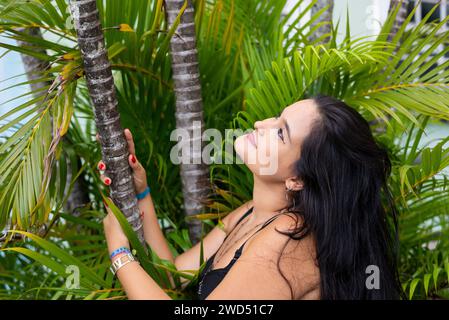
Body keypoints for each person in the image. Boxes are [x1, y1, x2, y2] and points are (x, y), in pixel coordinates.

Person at [98, 95, 404, 300]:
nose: (261, 124)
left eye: (281, 133)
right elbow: (173, 277)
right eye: (276, 118)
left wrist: (119, 254)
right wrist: (143, 193)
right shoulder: (251, 214)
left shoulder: (287, 241)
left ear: (297, 179)